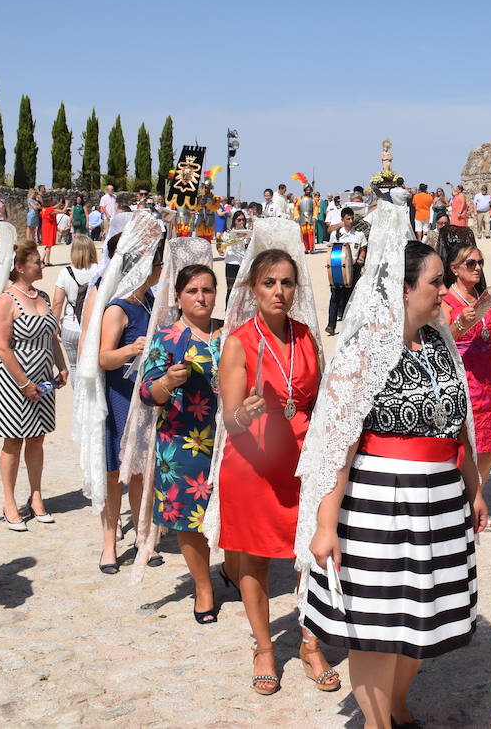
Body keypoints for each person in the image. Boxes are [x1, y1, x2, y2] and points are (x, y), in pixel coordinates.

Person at [298, 210, 486, 729]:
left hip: (441, 498)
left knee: (419, 618)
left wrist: (473, 489)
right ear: (403, 289)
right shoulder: (363, 350)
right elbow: (339, 443)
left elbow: (459, 425)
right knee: (378, 625)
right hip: (380, 502)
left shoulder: (438, 342)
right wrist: (325, 523)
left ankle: (399, 708)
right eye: (435, 282)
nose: (444, 290)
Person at [215, 232, 340, 695]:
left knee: (314, 554)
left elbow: (323, 395)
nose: (279, 291)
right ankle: (265, 645)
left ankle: (310, 642)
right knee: (255, 557)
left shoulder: (306, 336)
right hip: (254, 462)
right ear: (253, 288)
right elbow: (231, 417)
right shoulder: (239, 343)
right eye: (269, 282)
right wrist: (242, 414)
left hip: (304, 461)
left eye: (287, 283)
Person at [139, 264, 222, 622]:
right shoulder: (167, 337)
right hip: (182, 442)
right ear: (177, 296)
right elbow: (147, 392)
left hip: (230, 438)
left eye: (207, 290)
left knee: (232, 511)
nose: (201, 297)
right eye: (192, 291)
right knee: (189, 518)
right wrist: (168, 382)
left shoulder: (229, 332)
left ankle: (233, 568)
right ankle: (203, 587)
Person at [0, 241, 67, 530]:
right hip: (14, 383)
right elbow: (2, 347)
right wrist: (24, 383)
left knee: (37, 439)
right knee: (13, 441)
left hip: (44, 380)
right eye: (37, 262)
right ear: (20, 268)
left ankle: (36, 497)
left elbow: (52, 336)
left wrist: (62, 366)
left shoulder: (43, 296)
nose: (42, 265)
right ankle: (9, 501)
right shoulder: (6, 300)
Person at [94, 237, 162, 572]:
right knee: (113, 474)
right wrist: (131, 350)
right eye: (157, 264)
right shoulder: (118, 307)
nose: (161, 270)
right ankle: (108, 545)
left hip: (145, 397)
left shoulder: (150, 300)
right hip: (120, 397)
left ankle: (141, 536)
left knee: (139, 471)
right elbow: (103, 357)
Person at [443, 244, 491, 525]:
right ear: (455, 269)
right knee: (466, 443)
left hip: (488, 380)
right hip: (464, 377)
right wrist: (459, 323)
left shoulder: (484, 298)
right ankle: (463, 502)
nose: (478, 268)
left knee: (489, 445)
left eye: (480, 263)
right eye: (470, 263)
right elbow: (444, 339)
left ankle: (476, 495)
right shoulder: (446, 300)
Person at [52, 235, 99, 386]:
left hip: (70, 325)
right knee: (94, 368)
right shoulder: (99, 271)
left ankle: (77, 400)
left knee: (74, 367)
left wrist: (54, 325)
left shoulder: (65, 272)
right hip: (93, 326)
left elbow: (57, 302)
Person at [324, 207, 367, 336]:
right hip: (338, 270)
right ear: (342, 219)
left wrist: (361, 257)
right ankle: (331, 325)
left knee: (350, 297)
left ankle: (348, 327)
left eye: (352, 218)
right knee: (335, 297)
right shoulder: (336, 234)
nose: (351, 221)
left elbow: (363, 247)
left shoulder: (359, 234)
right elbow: (331, 251)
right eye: (348, 218)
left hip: (354, 268)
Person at [221, 211, 251, 294]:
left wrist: (248, 240)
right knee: (230, 290)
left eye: (243, 220)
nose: (241, 222)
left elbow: (248, 247)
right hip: (231, 263)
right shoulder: (228, 232)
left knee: (242, 290)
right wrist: (236, 237)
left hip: (243, 264)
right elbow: (223, 244)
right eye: (239, 220)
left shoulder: (247, 232)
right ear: (234, 221)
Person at [40, 199, 61, 266]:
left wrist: (59, 203)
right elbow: (62, 211)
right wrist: (65, 204)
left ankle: (42, 259)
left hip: (45, 228)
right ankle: (47, 261)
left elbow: (54, 207)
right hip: (49, 228)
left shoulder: (43, 210)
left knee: (47, 245)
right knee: (49, 246)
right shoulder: (49, 210)